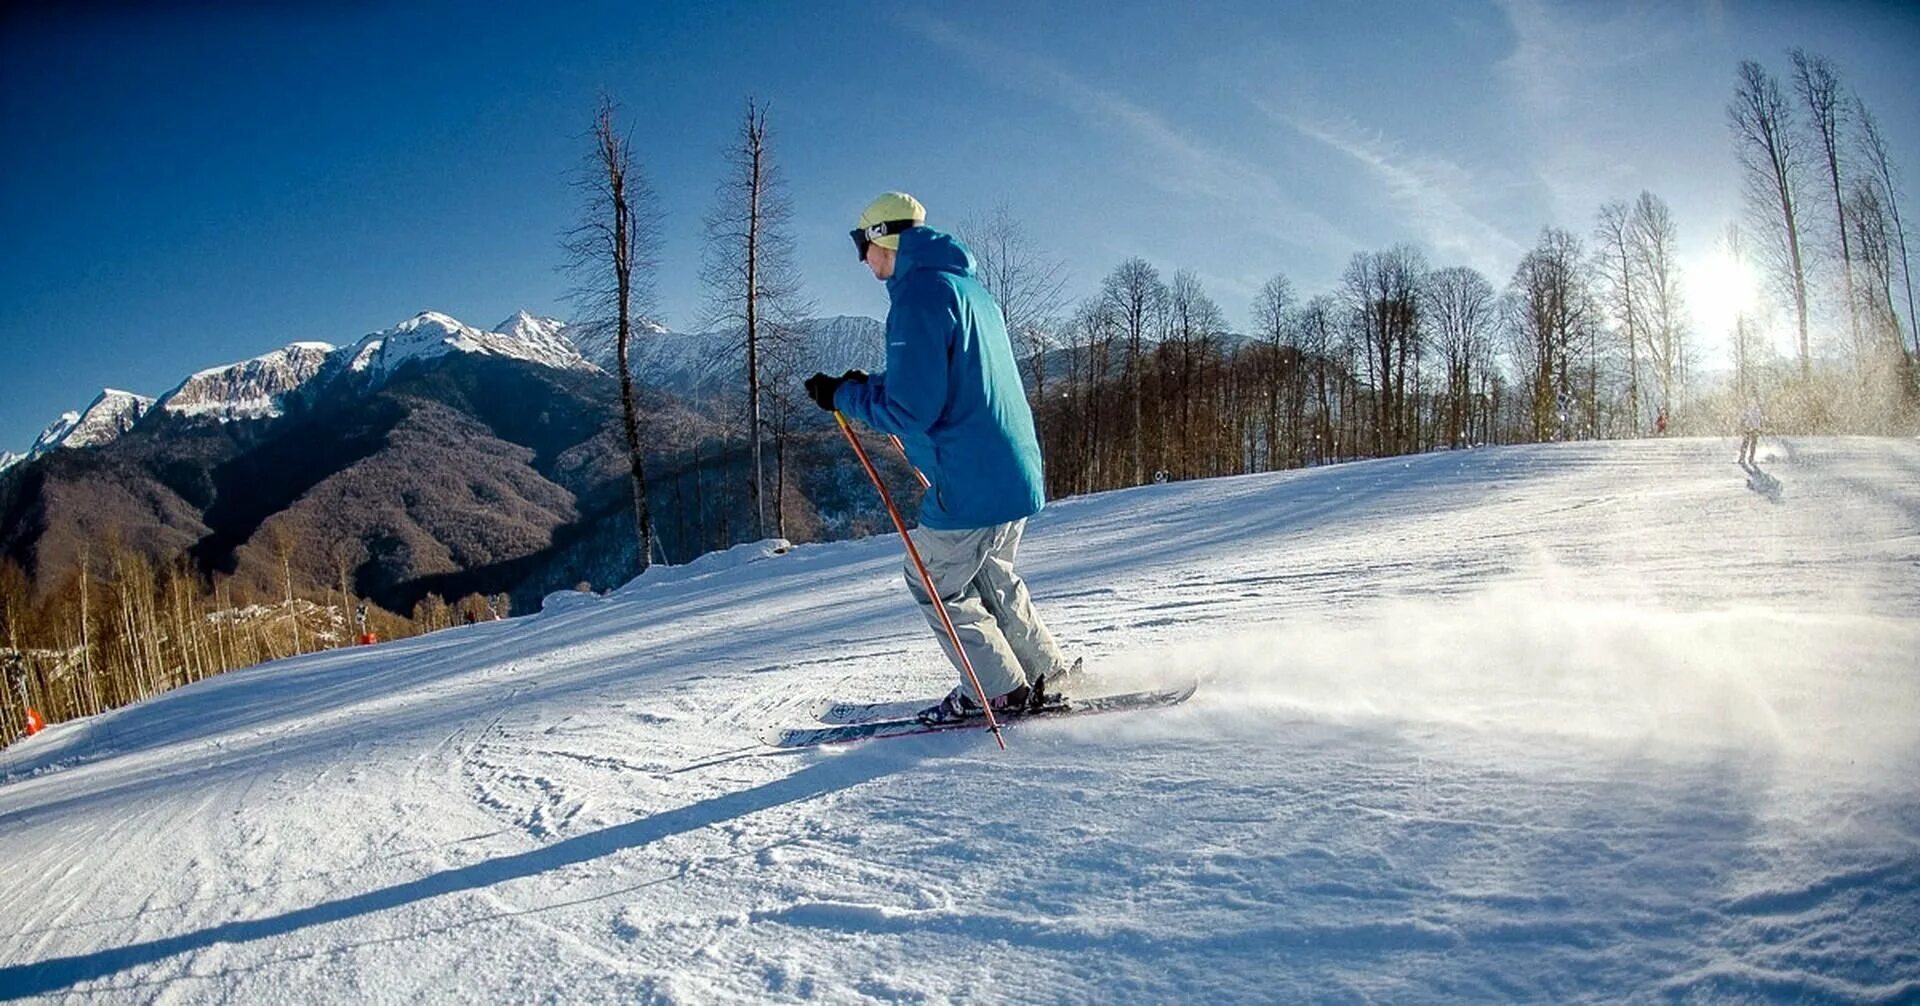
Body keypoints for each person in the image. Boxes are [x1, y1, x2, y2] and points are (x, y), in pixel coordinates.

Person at [805, 192, 1074, 724]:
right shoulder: (968, 290)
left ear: (885, 238)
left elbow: (910, 410)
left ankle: (995, 692)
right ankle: (1045, 673)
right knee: (992, 576)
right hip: (1013, 468)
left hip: (968, 478)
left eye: (862, 245)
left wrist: (844, 397)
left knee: (934, 581)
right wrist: (865, 384)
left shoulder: (918, 296)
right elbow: (947, 382)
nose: (862, 259)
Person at [1739, 396, 1764, 465]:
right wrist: (1743, 426)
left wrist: (1760, 428)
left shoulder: (1758, 411)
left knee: (1752, 444)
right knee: (1746, 443)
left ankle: (1750, 458)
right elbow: (1743, 419)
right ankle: (1742, 457)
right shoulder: (1748, 409)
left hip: (1755, 429)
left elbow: (1760, 420)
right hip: (1749, 428)